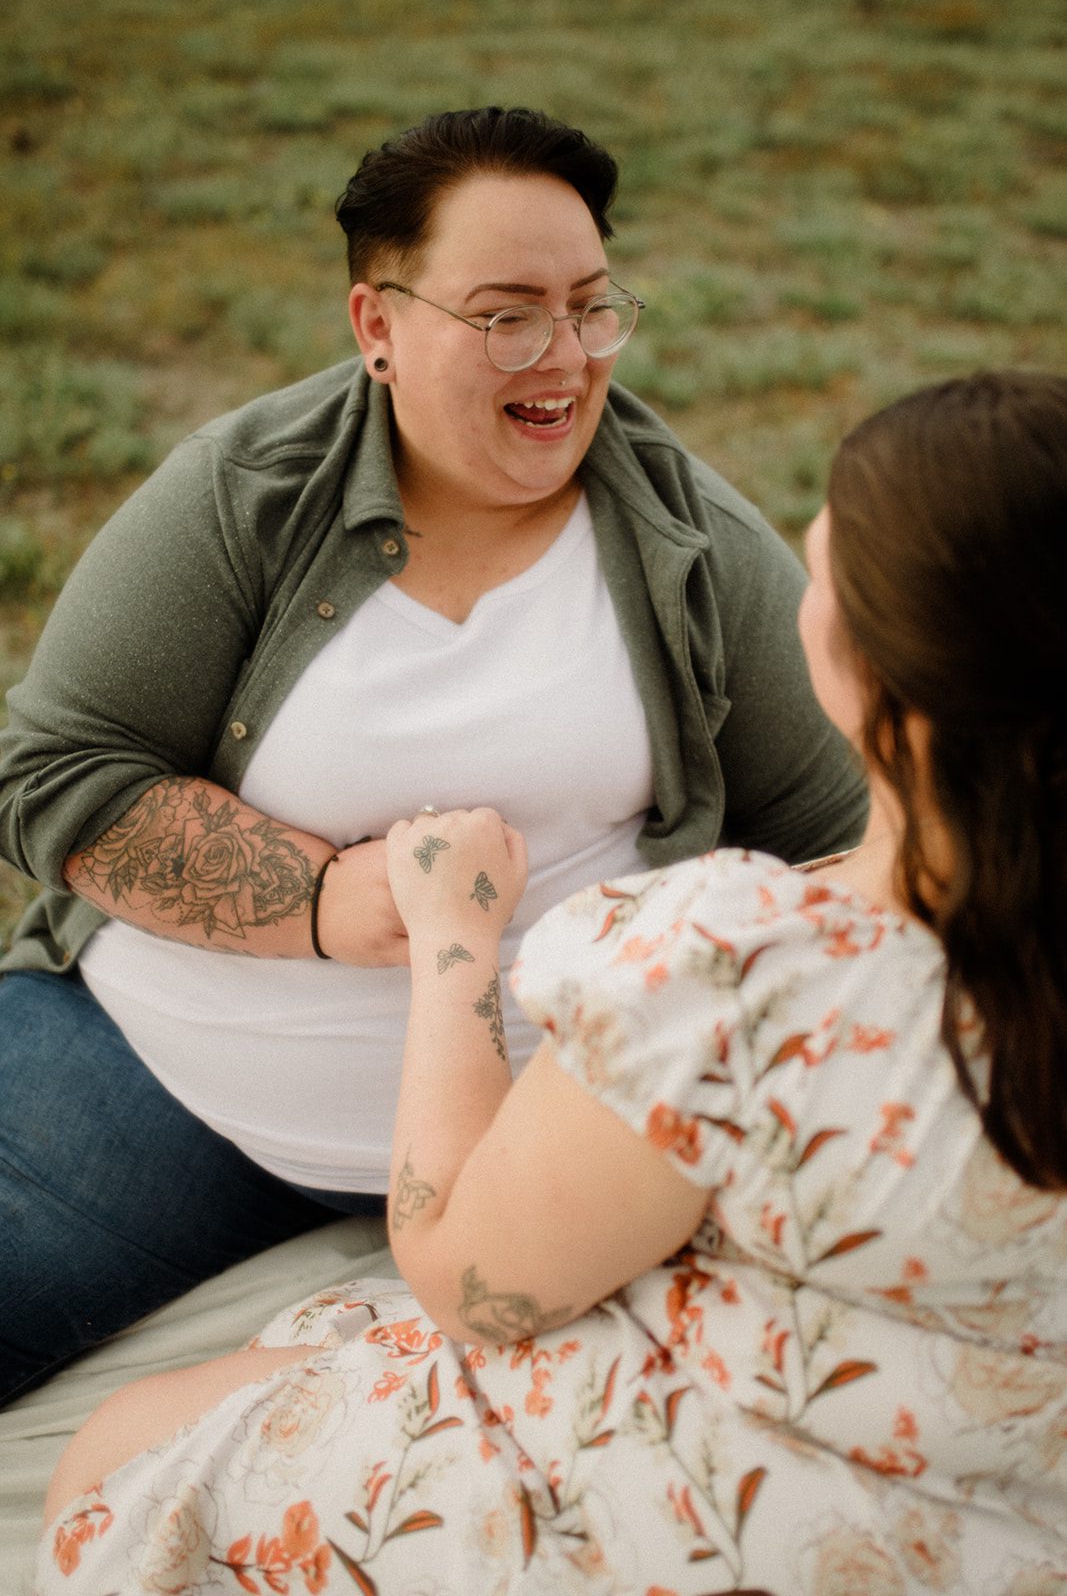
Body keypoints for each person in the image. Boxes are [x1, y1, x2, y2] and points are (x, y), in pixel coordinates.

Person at [34, 370, 1067, 1594]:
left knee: (115, 1457)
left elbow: (471, 1284)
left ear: (871, 682)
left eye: (822, 584)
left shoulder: (732, 975)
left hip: (704, 1513)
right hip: (995, 1506)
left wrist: (452, 935)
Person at [0, 105, 866, 1405]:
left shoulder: (694, 544)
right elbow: (57, 772)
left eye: (589, 306)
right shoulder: (241, 496)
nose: (564, 357)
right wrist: (327, 901)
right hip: (164, 1083)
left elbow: (834, 833)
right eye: (505, 313)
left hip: (540, 1161)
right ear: (376, 328)